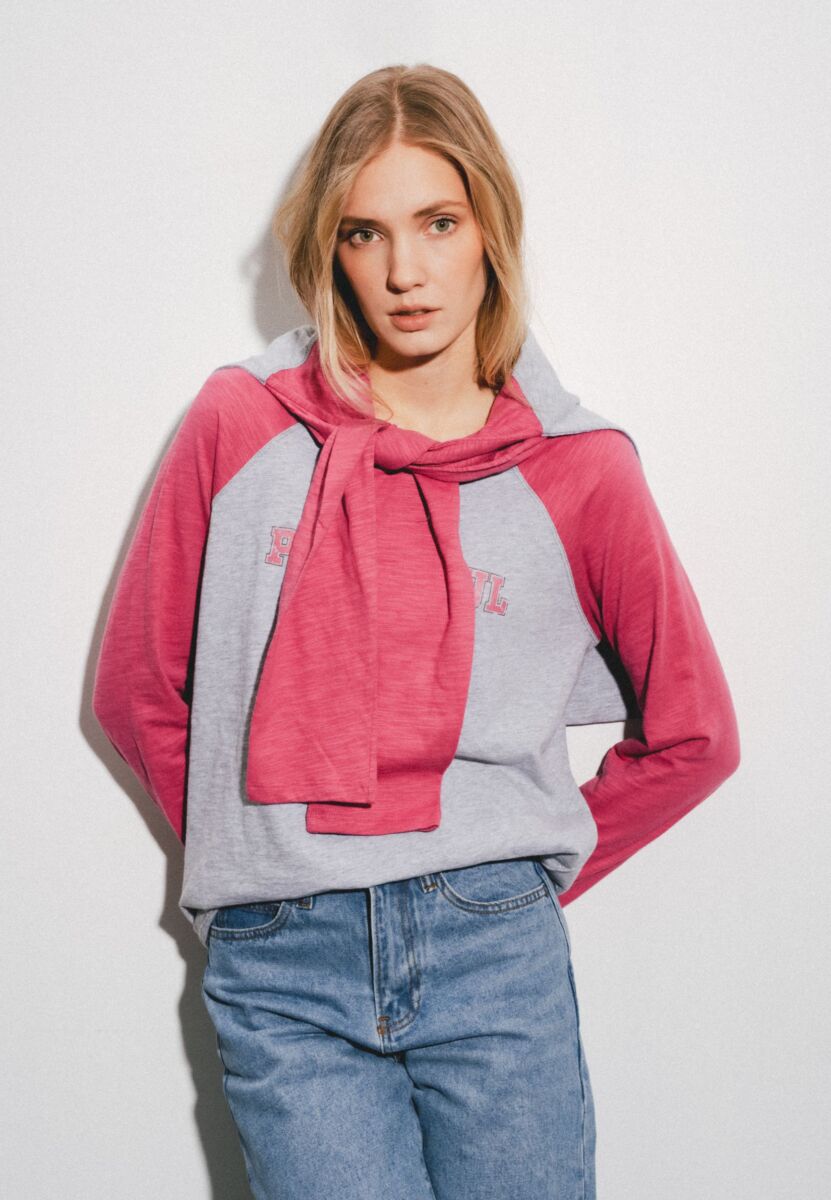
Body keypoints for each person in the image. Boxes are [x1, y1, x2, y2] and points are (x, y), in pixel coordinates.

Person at [92, 63, 740, 1200]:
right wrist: (260, 862)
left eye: (438, 223)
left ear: (490, 226)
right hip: (283, 962)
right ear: (329, 250)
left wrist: (516, 873)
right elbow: (138, 688)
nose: (404, 272)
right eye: (365, 232)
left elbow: (695, 737)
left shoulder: (580, 468)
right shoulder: (240, 421)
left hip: (493, 950)